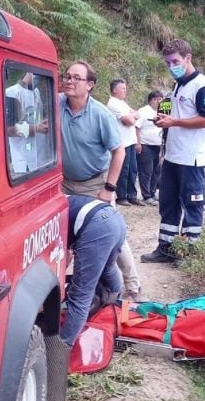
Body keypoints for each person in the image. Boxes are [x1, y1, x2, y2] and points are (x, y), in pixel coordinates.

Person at [59, 60, 143, 301]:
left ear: (90, 85)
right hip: (64, 183)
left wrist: (109, 188)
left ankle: (132, 284)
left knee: (110, 233)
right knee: (61, 232)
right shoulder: (56, 104)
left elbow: (119, 151)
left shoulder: (100, 114)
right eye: (67, 76)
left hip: (96, 183)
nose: (69, 81)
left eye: (76, 78)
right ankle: (56, 286)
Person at [141, 39, 205, 264]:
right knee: (168, 203)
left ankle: (188, 253)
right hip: (173, 155)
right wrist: (163, 120)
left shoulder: (202, 85)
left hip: (191, 157)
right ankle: (166, 247)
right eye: (167, 62)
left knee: (192, 204)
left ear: (188, 58)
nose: (171, 65)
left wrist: (174, 122)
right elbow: (173, 113)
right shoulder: (177, 85)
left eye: (175, 61)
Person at [60, 194, 124, 348]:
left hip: (95, 225)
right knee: (107, 267)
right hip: (114, 218)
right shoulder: (60, 198)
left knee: (80, 294)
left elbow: (63, 258)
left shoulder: (47, 214)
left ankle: (62, 348)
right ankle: (111, 305)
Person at [106, 79, 143, 206]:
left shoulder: (122, 103)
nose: (125, 91)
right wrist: (132, 116)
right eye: (122, 88)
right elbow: (130, 120)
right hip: (122, 142)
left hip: (130, 140)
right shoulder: (113, 103)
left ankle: (131, 195)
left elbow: (136, 114)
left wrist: (132, 116)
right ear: (115, 90)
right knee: (124, 170)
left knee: (133, 169)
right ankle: (121, 196)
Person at [5, 72, 50, 174]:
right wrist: (36, 129)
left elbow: (39, 117)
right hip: (24, 163)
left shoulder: (36, 92)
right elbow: (8, 130)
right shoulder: (11, 93)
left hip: (41, 160)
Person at [136, 90, 164, 205]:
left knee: (156, 171)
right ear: (152, 100)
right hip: (145, 144)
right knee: (146, 171)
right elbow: (137, 127)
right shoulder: (143, 111)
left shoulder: (162, 111)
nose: (160, 101)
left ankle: (152, 193)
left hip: (158, 145)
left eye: (161, 99)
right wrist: (138, 143)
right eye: (158, 99)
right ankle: (146, 195)